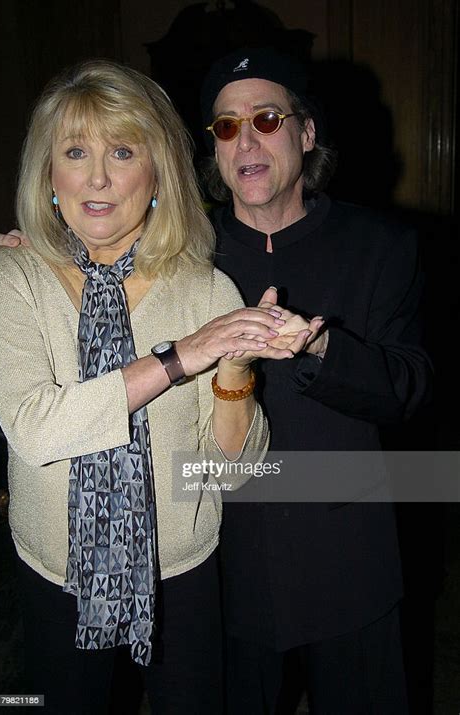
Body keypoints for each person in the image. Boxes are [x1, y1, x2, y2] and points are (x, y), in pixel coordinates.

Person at [0, 58, 318, 715]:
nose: (99, 176)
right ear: (50, 174)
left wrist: (233, 363)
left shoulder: (206, 289)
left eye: (123, 150)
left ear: (157, 170)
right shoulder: (10, 275)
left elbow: (233, 469)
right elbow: (38, 428)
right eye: (76, 151)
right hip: (57, 577)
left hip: (181, 575)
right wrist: (179, 356)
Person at [197, 45, 434, 714]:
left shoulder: (383, 246)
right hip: (221, 566)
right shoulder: (181, 253)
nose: (245, 138)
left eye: (267, 118)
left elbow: (410, 389)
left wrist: (324, 345)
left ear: (306, 133)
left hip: (348, 566)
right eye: (225, 125)